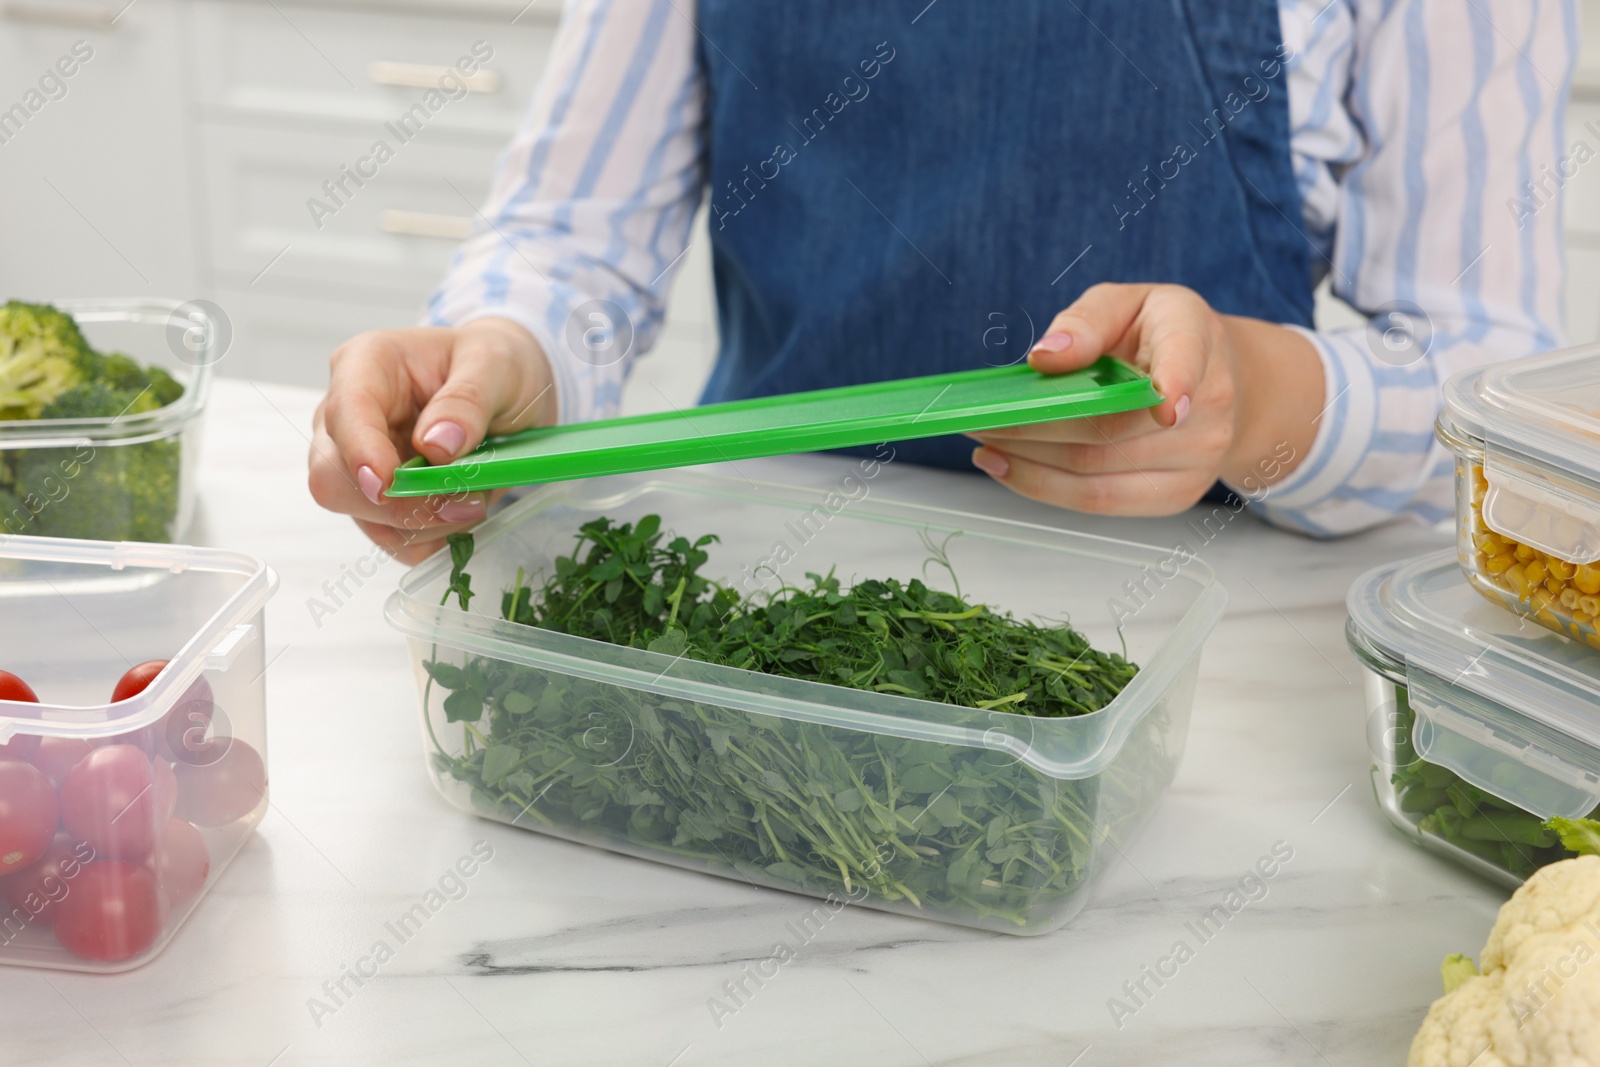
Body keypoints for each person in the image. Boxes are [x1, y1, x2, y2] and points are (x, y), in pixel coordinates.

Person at [308, 1, 1573, 562]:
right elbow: (572, 232)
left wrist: (1260, 400)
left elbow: (1496, 397)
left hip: (1195, 645)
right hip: (756, 604)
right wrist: (508, 350)